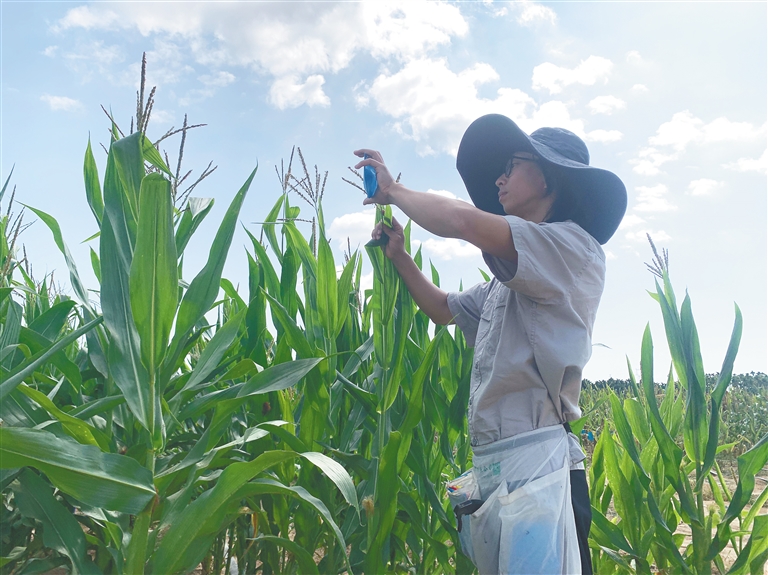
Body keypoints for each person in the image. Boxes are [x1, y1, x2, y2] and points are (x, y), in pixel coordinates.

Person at [354, 114, 627, 575]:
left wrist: (393, 191)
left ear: (547, 177)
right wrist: (399, 256)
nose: (499, 178)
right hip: (498, 466)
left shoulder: (573, 249)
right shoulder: (507, 283)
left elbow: (462, 221)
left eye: (512, 166)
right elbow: (443, 309)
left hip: (539, 468)